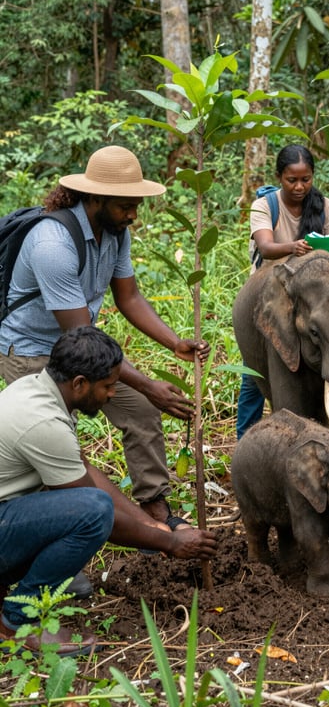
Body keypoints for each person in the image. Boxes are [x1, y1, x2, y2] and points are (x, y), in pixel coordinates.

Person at [0, 145, 209, 540]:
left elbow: (128, 297)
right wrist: (148, 383)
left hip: (83, 345)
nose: (133, 215)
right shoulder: (52, 245)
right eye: (125, 206)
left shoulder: (115, 232)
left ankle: (155, 511)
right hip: (32, 350)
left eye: (136, 206)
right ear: (94, 198)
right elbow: (81, 337)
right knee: (55, 443)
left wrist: (174, 342)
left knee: (143, 409)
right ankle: (59, 536)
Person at [0, 327, 218, 656]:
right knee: (92, 514)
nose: (113, 394)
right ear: (79, 384)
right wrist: (170, 542)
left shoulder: (38, 391)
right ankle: (18, 622)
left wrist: (154, 524)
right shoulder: (43, 422)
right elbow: (95, 513)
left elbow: (86, 472)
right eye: (108, 386)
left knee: (91, 505)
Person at [238, 144, 329, 439]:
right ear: (279, 177)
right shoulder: (265, 206)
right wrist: (293, 248)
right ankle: (246, 442)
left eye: (306, 179)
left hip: (315, 300)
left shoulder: (325, 206)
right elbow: (265, 246)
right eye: (292, 180)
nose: (299, 187)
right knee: (254, 378)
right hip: (270, 297)